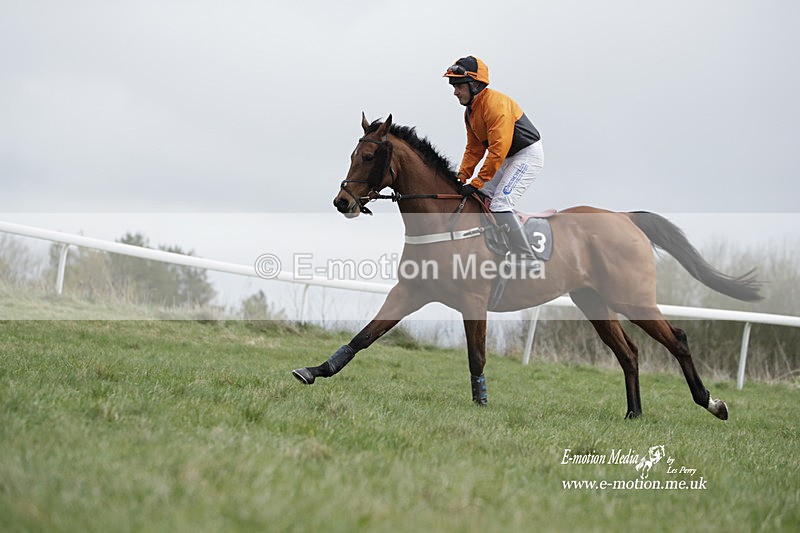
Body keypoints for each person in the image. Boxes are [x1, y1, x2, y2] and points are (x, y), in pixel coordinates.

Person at [444, 55, 544, 263]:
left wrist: (478, 181)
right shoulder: (470, 112)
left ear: (474, 84)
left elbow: (497, 150)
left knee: (500, 204)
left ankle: (527, 256)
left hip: (526, 155)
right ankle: (495, 244)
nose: (455, 92)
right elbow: (474, 148)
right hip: (507, 158)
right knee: (478, 197)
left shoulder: (495, 105)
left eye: (459, 86)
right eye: (453, 86)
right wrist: (462, 176)